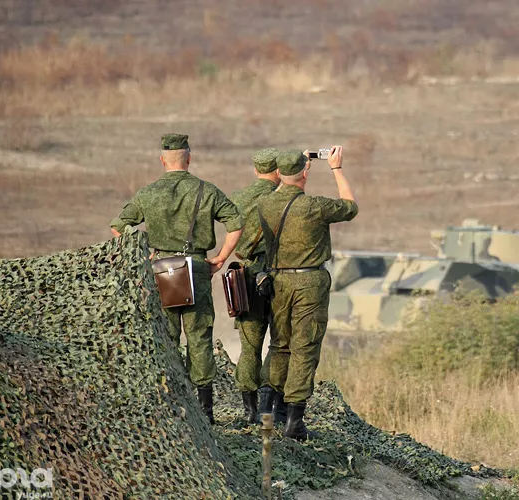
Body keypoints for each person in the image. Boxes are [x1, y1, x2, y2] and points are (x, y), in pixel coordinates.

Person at [110, 133, 244, 425]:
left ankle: (171, 404)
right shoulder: (206, 191)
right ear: (189, 158)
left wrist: (146, 257)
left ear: (162, 161)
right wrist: (220, 258)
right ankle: (206, 410)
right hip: (196, 266)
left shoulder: (148, 193)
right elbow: (236, 223)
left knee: (167, 337)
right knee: (199, 336)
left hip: (163, 269)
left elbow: (118, 227)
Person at [257, 146, 358, 440]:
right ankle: (294, 420)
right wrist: (336, 168)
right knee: (305, 346)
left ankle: (268, 410)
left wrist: (292, 166)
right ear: (304, 173)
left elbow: (279, 190)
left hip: (278, 282)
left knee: (279, 345)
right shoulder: (314, 206)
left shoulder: (265, 204)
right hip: (309, 283)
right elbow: (350, 206)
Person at [228, 147, 281, 424]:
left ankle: (249, 411)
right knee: (279, 343)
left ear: (255, 170)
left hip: (247, 277)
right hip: (280, 276)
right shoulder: (282, 199)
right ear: (279, 170)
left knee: (249, 346)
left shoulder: (238, 198)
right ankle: (268, 404)